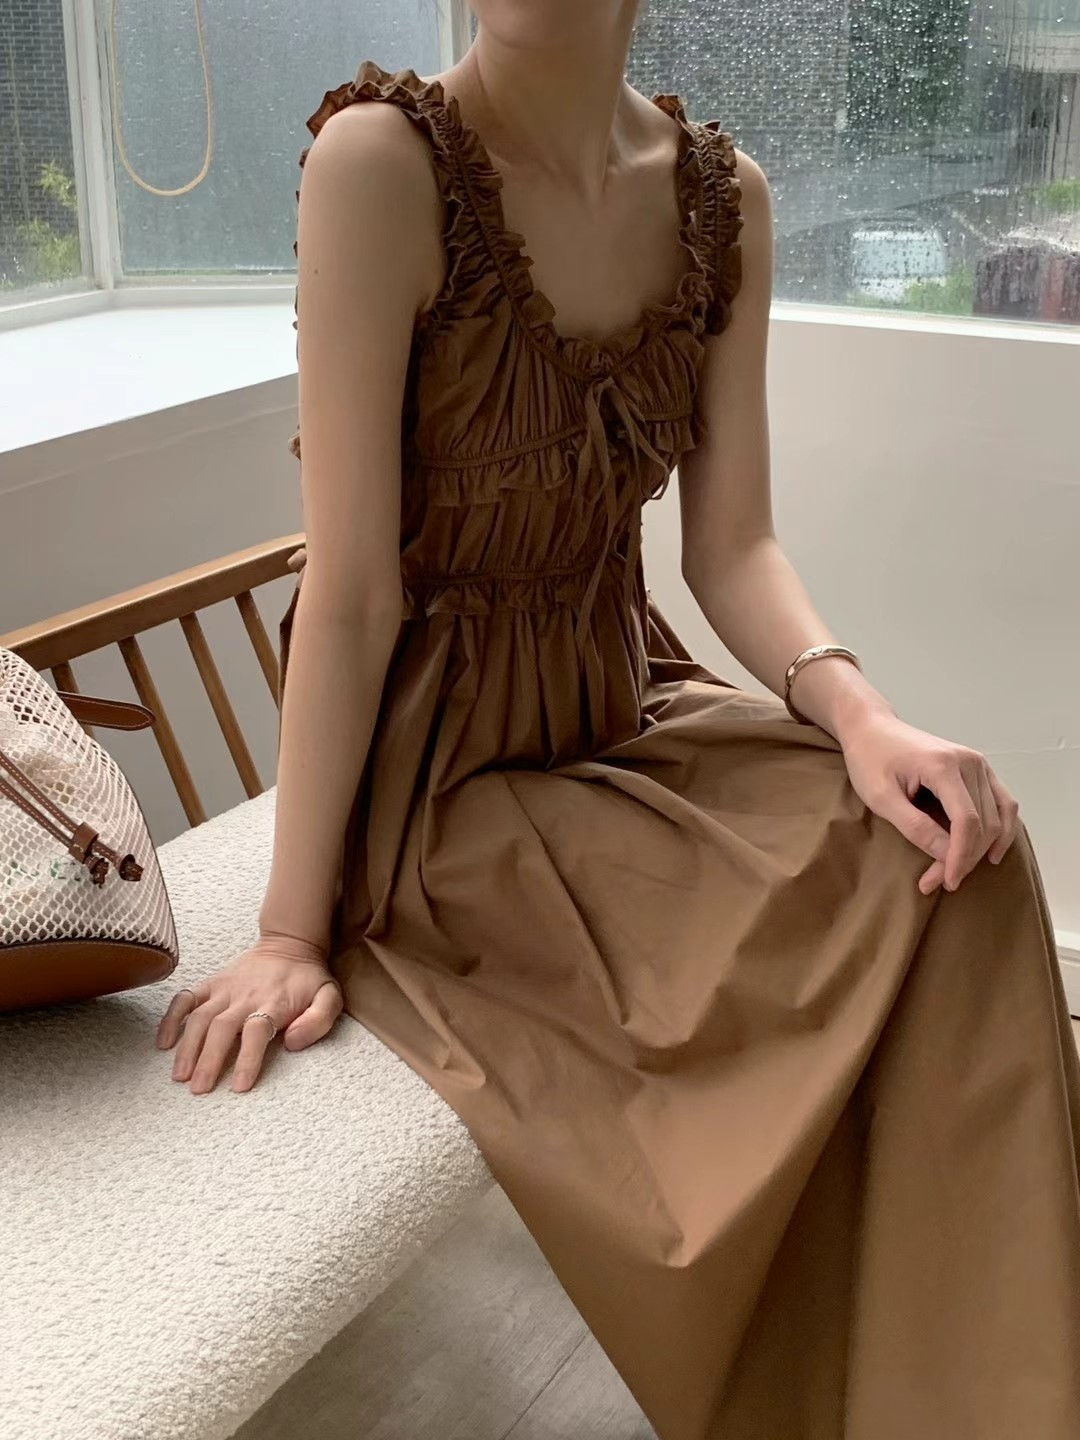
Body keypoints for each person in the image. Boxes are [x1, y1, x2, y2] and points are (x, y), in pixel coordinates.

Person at [155, 5, 1080, 1436]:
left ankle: (968, 1396)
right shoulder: (382, 165)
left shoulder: (723, 201)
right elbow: (348, 596)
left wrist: (864, 719)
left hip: (621, 698)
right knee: (750, 998)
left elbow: (733, 547)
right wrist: (287, 931)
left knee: (962, 854)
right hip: (441, 771)